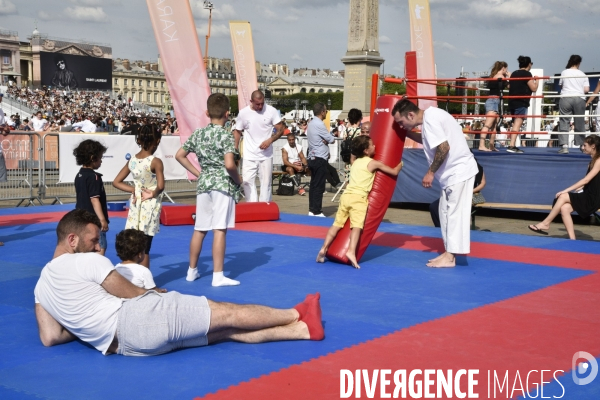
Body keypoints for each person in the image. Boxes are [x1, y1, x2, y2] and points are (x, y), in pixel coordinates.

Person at [34, 209, 325, 357]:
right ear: (72, 240)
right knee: (226, 313)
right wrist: (153, 292)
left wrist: (82, 322)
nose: (99, 247)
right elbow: (134, 295)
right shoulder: (87, 260)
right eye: (94, 240)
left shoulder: (41, 287)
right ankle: (296, 314)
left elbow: (51, 337)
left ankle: (301, 331)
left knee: (225, 332)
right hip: (141, 317)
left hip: (127, 348)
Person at [392, 99, 479, 268]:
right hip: (452, 173)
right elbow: (428, 139)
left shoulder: (431, 119)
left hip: (459, 171)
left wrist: (430, 173)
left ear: (410, 114)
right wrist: (407, 133)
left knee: (454, 214)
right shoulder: (431, 116)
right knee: (445, 213)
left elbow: (443, 147)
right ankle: (449, 254)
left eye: (401, 122)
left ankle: (450, 256)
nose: (401, 126)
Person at [175, 93, 243, 286]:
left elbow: (180, 155)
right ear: (227, 113)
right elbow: (230, 165)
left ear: (207, 112)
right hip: (222, 184)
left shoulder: (198, 133)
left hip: (204, 183)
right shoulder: (226, 135)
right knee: (219, 229)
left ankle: (191, 271)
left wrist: (198, 173)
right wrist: (238, 180)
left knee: (200, 229)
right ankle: (218, 275)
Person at [317, 136, 403, 269]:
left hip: (346, 196)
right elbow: (394, 171)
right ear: (367, 150)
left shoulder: (355, 162)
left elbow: (352, 157)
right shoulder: (373, 163)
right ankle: (351, 251)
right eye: (373, 145)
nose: (375, 146)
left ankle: (323, 248)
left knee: (337, 224)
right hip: (359, 198)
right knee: (356, 227)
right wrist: (400, 163)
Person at [528, 135, 600, 240]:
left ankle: (545, 223)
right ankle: (572, 240)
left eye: (585, 145)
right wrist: (581, 188)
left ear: (593, 146)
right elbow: (591, 180)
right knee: (564, 208)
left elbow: (586, 180)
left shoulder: (598, 160)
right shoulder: (592, 161)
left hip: (594, 197)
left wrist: (566, 190)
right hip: (589, 194)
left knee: (563, 196)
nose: (583, 148)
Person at [113, 124, 165, 268]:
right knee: (145, 247)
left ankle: (134, 277)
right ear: (158, 141)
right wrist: (152, 193)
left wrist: (134, 190)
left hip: (136, 207)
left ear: (139, 140)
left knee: (135, 242)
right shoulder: (156, 162)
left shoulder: (132, 161)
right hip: (150, 206)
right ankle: (146, 282)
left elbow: (116, 182)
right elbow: (160, 186)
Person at [233, 90, 284, 202]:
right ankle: (252, 207)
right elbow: (237, 132)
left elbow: (281, 129)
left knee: (266, 183)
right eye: (257, 104)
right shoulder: (243, 113)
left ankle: (264, 207)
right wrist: (235, 150)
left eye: (262, 103)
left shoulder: (271, 111)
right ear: (251, 101)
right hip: (249, 155)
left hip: (266, 155)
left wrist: (270, 140)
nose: (260, 106)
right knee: (247, 182)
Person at [73, 139, 109, 256]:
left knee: (84, 246)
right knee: (100, 246)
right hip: (93, 219)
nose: (101, 161)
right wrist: (102, 219)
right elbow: (94, 199)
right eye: (100, 158)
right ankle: (97, 269)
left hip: (80, 217)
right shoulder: (94, 177)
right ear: (93, 158)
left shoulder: (79, 175)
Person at [429, 158, 486, 227]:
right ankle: (440, 228)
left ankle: (452, 229)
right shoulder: (458, 167)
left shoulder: (477, 167)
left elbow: (482, 183)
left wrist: (469, 191)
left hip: (468, 195)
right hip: (454, 193)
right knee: (434, 206)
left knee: (454, 209)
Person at [307, 102, 335, 217]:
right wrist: (327, 139)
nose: (326, 113)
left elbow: (326, 138)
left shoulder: (311, 123)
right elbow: (331, 139)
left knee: (314, 184)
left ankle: (312, 209)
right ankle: (317, 211)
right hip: (319, 157)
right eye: (326, 111)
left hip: (313, 157)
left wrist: (326, 139)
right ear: (322, 112)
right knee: (319, 185)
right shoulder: (319, 124)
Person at [505, 56, 539, 154]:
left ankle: (512, 145)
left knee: (515, 124)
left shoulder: (514, 73)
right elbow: (533, 88)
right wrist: (537, 81)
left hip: (512, 101)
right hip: (521, 101)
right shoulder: (527, 74)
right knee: (517, 124)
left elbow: (510, 86)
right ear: (529, 64)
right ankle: (511, 145)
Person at [558, 55, 590, 154]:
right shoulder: (583, 74)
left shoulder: (564, 72)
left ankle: (564, 146)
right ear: (579, 63)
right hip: (579, 98)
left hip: (566, 97)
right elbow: (586, 90)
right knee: (579, 121)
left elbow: (561, 85)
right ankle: (582, 146)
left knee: (564, 121)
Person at [479, 61, 509, 152]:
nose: (507, 70)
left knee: (494, 126)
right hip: (493, 101)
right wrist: (509, 77)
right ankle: (481, 145)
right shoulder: (501, 77)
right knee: (488, 125)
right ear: (503, 68)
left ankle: (491, 146)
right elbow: (509, 86)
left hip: (493, 101)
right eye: (506, 68)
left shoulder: (493, 76)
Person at [0, 94, 9, 188]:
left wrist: (6, 130)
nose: (1, 97)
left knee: (2, 173)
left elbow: (3, 131)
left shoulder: (1, 111)